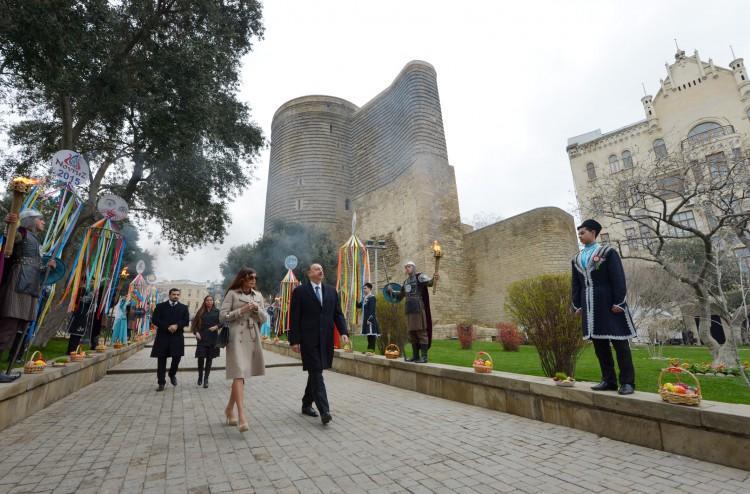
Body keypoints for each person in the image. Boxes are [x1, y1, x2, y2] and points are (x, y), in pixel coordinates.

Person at [572, 219, 637, 395]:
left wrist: (619, 302)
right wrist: (577, 305)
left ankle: (627, 382)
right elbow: (576, 285)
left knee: (620, 344)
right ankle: (608, 380)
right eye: (579, 233)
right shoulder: (576, 259)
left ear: (593, 232)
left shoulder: (608, 252)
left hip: (610, 304)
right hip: (590, 307)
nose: (580, 236)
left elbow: (618, 278)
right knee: (600, 345)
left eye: (583, 232)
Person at [289, 263, 349, 425]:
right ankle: (325, 411)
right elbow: (294, 317)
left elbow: (338, 314)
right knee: (316, 372)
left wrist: (343, 332)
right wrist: (294, 340)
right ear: (309, 273)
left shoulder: (331, 291)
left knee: (315, 372)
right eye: (316, 269)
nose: (320, 270)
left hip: (325, 339)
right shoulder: (300, 292)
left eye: (321, 268)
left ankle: (306, 404)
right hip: (308, 340)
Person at [0, 210, 56, 381]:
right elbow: (10, 237)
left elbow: (33, 266)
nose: (44, 222)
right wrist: (9, 224)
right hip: (17, 284)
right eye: (40, 219)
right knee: (7, 326)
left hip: (30, 287)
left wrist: (46, 267)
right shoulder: (22, 233)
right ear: (30, 220)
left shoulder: (35, 240)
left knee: (17, 328)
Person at [220, 268, 266, 432]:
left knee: (241, 375)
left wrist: (257, 310)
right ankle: (241, 416)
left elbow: (264, 318)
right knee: (238, 373)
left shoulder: (258, 295)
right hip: (236, 337)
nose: (253, 280)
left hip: (252, 336)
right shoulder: (232, 294)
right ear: (242, 279)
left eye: (255, 277)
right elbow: (222, 316)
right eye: (250, 277)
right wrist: (242, 310)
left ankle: (229, 409)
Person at [388, 261, 438, 363]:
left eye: (409, 266)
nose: (407, 268)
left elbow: (430, 283)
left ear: (414, 267)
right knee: (412, 334)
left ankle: (424, 357)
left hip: (418, 309)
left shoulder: (420, 277)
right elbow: (400, 295)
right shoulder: (406, 282)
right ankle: (415, 356)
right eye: (406, 267)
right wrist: (391, 292)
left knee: (421, 333)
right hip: (409, 310)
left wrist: (434, 278)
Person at [150, 288, 189, 391]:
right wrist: (167, 327)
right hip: (163, 336)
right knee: (161, 360)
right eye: (174, 294)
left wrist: (177, 325)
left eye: (178, 294)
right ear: (169, 295)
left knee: (177, 357)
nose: (176, 296)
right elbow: (155, 320)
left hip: (177, 337)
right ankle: (161, 383)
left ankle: (172, 374)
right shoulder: (160, 306)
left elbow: (186, 321)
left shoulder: (183, 308)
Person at [191, 295, 220, 388]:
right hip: (202, 338)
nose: (209, 302)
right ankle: (200, 376)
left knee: (209, 359)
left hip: (212, 338)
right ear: (204, 301)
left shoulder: (217, 311)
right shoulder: (200, 311)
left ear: (213, 301)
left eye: (211, 300)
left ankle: (206, 379)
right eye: (207, 300)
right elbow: (194, 324)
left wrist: (216, 327)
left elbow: (223, 322)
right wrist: (196, 332)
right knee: (201, 358)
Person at [66, 289, 92, 355]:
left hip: (83, 318)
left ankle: (74, 350)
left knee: (78, 336)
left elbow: (91, 307)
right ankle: (71, 351)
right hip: (77, 317)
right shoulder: (79, 291)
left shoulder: (90, 296)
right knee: (74, 336)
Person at [356, 283, 379, 354]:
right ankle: (369, 350)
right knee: (368, 335)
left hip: (370, 320)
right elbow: (359, 306)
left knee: (371, 335)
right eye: (363, 288)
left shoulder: (372, 298)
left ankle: (372, 351)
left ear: (369, 289)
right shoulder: (364, 298)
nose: (364, 290)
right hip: (366, 319)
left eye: (365, 288)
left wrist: (370, 319)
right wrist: (355, 300)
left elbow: (372, 309)